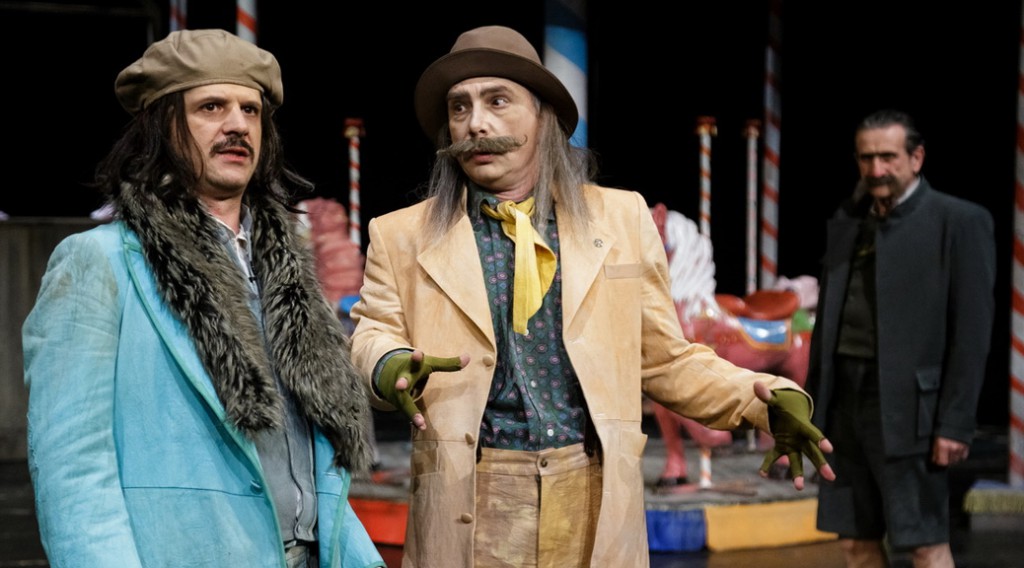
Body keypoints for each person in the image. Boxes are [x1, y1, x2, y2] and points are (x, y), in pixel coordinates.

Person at [349, 25, 835, 567]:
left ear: (544, 117)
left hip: (593, 501)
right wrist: (388, 362)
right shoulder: (402, 235)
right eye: (459, 107)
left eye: (497, 101)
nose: (476, 123)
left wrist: (763, 399)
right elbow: (373, 333)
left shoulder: (620, 218)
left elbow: (665, 359)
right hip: (471, 502)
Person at [22, 29, 384, 568]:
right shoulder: (100, 261)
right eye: (211, 107)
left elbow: (316, 461)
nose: (237, 125)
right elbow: (72, 467)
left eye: (250, 110)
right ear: (163, 126)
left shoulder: (287, 276)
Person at [804, 109, 996, 567]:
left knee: (924, 543)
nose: (876, 169)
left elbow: (972, 332)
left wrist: (955, 422)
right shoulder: (848, 219)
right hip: (842, 404)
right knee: (854, 541)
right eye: (866, 158)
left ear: (916, 158)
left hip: (912, 413)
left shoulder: (957, 221)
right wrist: (811, 407)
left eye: (888, 157)